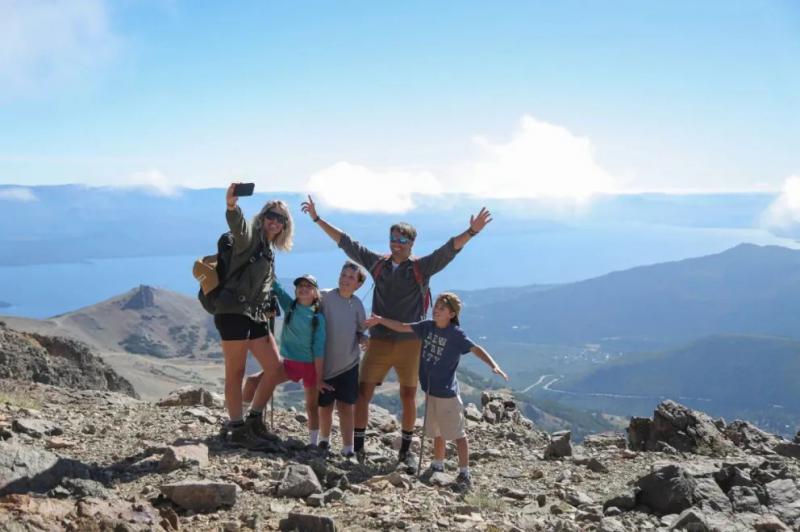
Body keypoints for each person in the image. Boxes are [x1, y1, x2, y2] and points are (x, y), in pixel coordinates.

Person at [301, 195, 491, 472]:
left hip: (409, 342)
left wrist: (472, 231)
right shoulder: (378, 264)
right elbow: (347, 243)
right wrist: (318, 219)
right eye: (393, 239)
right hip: (379, 340)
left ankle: (405, 451)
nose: (396, 244)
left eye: (402, 240)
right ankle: (359, 446)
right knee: (363, 394)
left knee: (407, 395)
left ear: (411, 244)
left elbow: (448, 250)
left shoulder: (420, 268)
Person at [365, 292, 509, 491]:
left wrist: (493, 365)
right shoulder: (427, 327)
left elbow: (476, 349)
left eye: (442, 308)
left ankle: (465, 472)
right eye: (437, 307)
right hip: (430, 391)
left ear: (451, 314)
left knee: (458, 434)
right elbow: (402, 326)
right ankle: (437, 464)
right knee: (436, 432)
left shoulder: (455, 334)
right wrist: (380, 320)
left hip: (447, 394)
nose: (436, 310)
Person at [216, 183, 292, 448]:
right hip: (233, 313)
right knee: (235, 373)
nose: (274, 221)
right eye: (270, 215)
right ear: (262, 217)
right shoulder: (249, 239)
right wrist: (231, 206)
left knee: (276, 368)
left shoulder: (270, 250)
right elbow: (239, 226)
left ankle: (254, 419)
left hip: (256, 315)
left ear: (285, 225)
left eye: (280, 218)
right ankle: (237, 428)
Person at [243, 274, 328, 446]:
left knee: (311, 406)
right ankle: (240, 422)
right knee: (252, 381)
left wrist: (319, 377)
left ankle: (313, 443)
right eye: (300, 286)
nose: (303, 289)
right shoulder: (290, 307)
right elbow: (278, 289)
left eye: (308, 286)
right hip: (290, 364)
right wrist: (268, 272)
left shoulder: (318, 318)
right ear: (296, 290)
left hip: (310, 367)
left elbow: (319, 350)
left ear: (315, 293)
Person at [317, 261, 369, 457]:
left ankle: (348, 449)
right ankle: (324, 440)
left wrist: (363, 338)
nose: (345, 279)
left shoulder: (357, 304)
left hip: (349, 364)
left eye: (351, 277)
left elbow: (359, 331)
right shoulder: (325, 296)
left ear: (358, 285)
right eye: (343, 274)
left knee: (346, 407)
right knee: (325, 406)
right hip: (325, 364)